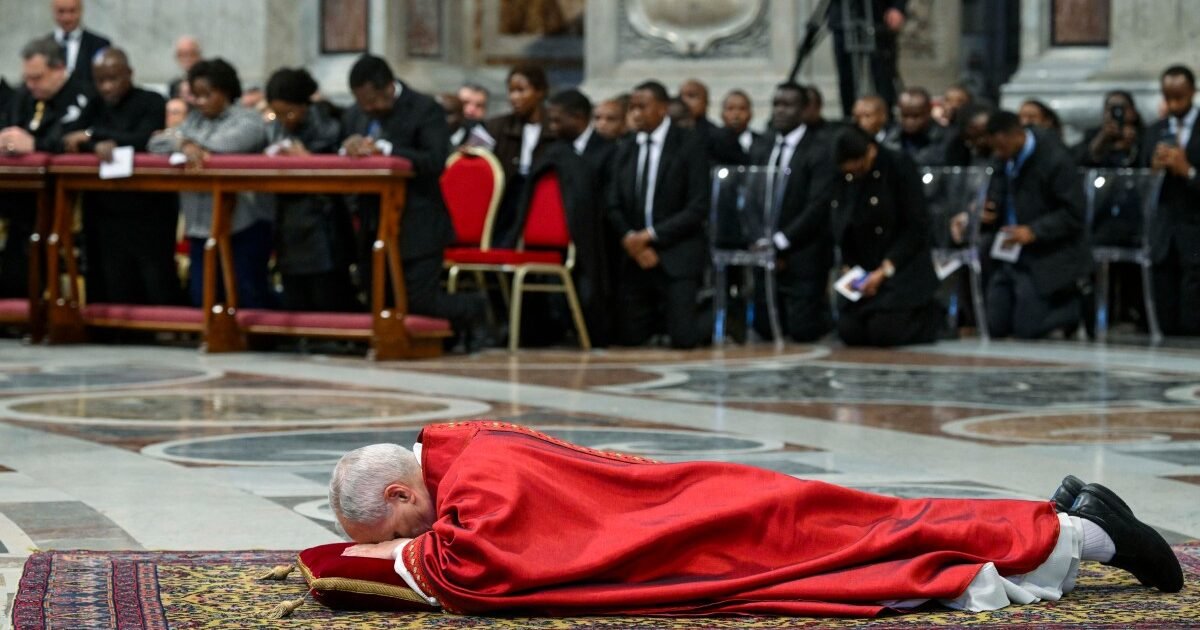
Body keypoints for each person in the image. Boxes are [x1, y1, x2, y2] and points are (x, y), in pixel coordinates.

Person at [331, 421, 1184, 618]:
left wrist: (366, 559)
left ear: (404, 497)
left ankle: (1080, 534)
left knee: (869, 540)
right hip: (695, 495)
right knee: (873, 522)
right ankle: (1070, 527)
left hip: (698, 526)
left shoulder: (471, 486)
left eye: (399, 530)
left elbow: (467, 570)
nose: (409, 544)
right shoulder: (461, 439)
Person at [339, 54, 485, 345]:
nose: (367, 109)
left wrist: (387, 150)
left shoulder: (424, 109)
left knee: (417, 301)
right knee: (379, 297)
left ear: (388, 87)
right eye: (361, 102)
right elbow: (343, 148)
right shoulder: (356, 114)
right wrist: (349, 147)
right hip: (373, 221)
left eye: (371, 101)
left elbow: (434, 160)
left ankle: (476, 307)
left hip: (418, 222)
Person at [788, 127, 940, 346]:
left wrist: (885, 270)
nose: (854, 174)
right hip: (865, 266)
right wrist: (850, 267)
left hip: (900, 265)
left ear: (870, 151)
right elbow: (842, 222)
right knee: (850, 332)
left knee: (884, 333)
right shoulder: (844, 179)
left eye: (858, 167)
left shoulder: (898, 166)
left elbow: (916, 227)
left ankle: (931, 318)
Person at [147, 58, 274, 309]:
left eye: (207, 94)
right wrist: (183, 144)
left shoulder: (248, 119)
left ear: (225, 91)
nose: (201, 102)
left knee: (246, 294)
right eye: (196, 96)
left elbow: (228, 145)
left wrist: (188, 141)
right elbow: (155, 143)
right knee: (201, 296)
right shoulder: (194, 121)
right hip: (200, 224)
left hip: (243, 222)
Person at [59, 48, 178, 306]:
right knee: (108, 272)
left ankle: (161, 326)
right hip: (105, 204)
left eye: (113, 79)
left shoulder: (152, 100)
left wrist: (93, 136)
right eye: (100, 80)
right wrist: (95, 144)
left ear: (129, 74)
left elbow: (146, 139)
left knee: (154, 272)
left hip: (148, 205)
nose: (107, 87)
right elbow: (70, 137)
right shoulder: (94, 103)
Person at [606, 80, 708, 349]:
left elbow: (698, 207)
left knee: (684, 338)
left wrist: (650, 236)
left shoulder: (689, 144)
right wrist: (632, 239)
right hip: (635, 255)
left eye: (643, 107)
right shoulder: (625, 147)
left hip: (676, 250)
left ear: (662, 109)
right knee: (628, 337)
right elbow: (612, 203)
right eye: (632, 107)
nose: (636, 113)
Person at [0, 37, 95, 298]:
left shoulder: (82, 96)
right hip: (16, 188)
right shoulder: (23, 95)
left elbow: (73, 139)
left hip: (57, 194)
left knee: (32, 241)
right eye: (27, 78)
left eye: (37, 78)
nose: (31, 85)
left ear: (59, 69)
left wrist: (35, 144)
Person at [983, 110, 1090, 339]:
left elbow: (1074, 213)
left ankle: (1071, 309)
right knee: (996, 325)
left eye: (1001, 147)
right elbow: (996, 192)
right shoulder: (1004, 158)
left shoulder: (1055, 159)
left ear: (1015, 136)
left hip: (1049, 250)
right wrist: (989, 211)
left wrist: (1034, 231)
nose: (998, 153)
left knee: (1027, 329)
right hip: (1011, 249)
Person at [263, 67, 355, 313]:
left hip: (322, 219)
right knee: (294, 291)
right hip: (287, 216)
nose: (285, 119)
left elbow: (340, 168)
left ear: (304, 104)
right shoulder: (274, 128)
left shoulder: (329, 124)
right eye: (277, 114)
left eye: (290, 112)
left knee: (326, 292)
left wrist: (307, 158)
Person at [752, 82, 836, 343]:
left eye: (787, 105)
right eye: (776, 104)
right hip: (766, 249)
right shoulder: (762, 147)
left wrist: (782, 241)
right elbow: (753, 195)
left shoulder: (819, 149)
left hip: (803, 250)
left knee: (802, 330)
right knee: (765, 329)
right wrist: (763, 239)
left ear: (804, 110)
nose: (780, 111)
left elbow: (817, 205)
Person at [1142, 65, 1200, 336]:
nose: (1175, 104)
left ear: (1193, 93)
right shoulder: (1155, 131)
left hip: (1195, 224)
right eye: (1169, 97)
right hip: (1164, 228)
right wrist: (1153, 170)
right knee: (1163, 298)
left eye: (1180, 97)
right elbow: (1139, 180)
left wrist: (1187, 170)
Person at [481, 65, 550, 240]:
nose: (514, 97)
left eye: (521, 91)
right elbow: (472, 151)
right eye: (511, 91)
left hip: (542, 195)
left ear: (540, 92)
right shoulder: (495, 125)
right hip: (507, 194)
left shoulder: (555, 126)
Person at [829, 0, 906, 118]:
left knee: (883, 76)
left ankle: (885, 120)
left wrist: (898, 7)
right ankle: (850, 118)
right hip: (844, 17)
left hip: (879, 16)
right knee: (847, 77)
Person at [47, 0, 110, 97]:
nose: (67, 17)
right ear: (53, 12)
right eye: (61, 11)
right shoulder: (43, 46)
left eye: (72, 11)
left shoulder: (100, 44)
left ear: (81, 11)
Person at [1076, 91, 1143, 169]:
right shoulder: (1092, 135)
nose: (1117, 113)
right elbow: (1078, 162)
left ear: (1133, 112)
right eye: (1111, 108)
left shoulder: (1144, 135)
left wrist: (1132, 146)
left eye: (1122, 108)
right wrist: (1101, 140)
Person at [883, 87, 948, 166]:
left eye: (916, 116)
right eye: (905, 115)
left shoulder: (945, 138)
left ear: (928, 111)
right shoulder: (893, 137)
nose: (909, 121)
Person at [720, 89, 757, 156]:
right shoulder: (711, 142)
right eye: (730, 108)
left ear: (750, 114)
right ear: (722, 114)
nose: (736, 114)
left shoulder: (762, 143)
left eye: (742, 108)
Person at [168, 35, 202, 100]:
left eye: (192, 54)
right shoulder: (175, 85)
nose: (188, 59)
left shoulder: (210, 81)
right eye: (183, 54)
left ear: (199, 55)